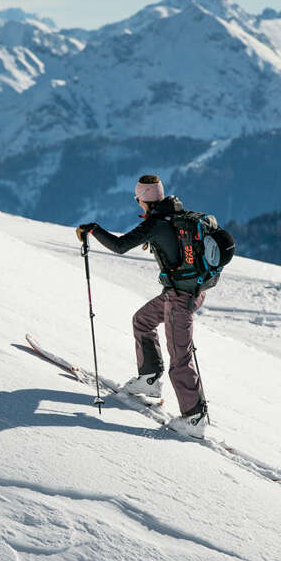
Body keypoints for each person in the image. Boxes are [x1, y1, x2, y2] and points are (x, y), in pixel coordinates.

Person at [76, 175, 210, 439]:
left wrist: (92, 230)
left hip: (179, 298)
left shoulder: (157, 224)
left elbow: (120, 245)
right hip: (189, 291)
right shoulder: (177, 214)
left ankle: (194, 418)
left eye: (137, 198)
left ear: (142, 198)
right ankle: (149, 378)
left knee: (179, 354)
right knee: (143, 320)